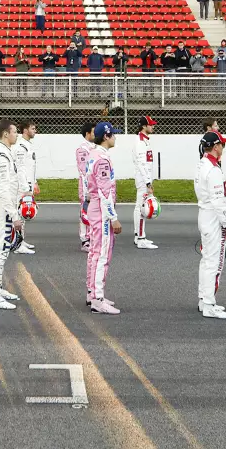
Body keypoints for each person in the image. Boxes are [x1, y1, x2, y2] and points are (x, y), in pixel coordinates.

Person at [195, 130, 226, 320]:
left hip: (205, 215)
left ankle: (204, 299)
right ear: (216, 146)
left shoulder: (202, 165)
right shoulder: (213, 169)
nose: (223, 148)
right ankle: (209, 304)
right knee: (214, 262)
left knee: (206, 261)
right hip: (213, 219)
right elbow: (219, 202)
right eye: (222, 144)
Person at [0, 119, 25, 311]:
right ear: (5, 134)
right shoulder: (1, 155)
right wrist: (14, 214)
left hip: (7, 207)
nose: (16, 134)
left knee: (3, 249)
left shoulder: (7, 152)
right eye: (14, 131)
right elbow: (2, 188)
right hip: (3, 208)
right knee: (0, 250)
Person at [86, 121, 123, 315]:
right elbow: (104, 191)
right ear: (106, 137)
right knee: (102, 254)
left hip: (95, 206)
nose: (115, 137)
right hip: (101, 209)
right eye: (113, 134)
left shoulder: (93, 154)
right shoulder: (102, 158)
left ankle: (92, 292)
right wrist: (113, 217)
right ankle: (97, 299)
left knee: (94, 252)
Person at [132, 114, 158, 250]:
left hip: (143, 178)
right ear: (144, 126)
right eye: (151, 124)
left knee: (139, 207)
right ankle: (141, 239)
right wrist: (148, 182)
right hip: (143, 179)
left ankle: (139, 236)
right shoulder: (140, 142)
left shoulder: (144, 140)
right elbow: (142, 164)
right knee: (142, 208)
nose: (153, 126)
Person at [13, 121, 38, 254]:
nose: (35, 131)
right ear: (25, 130)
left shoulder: (28, 145)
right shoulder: (21, 146)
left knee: (23, 215)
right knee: (20, 213)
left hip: (28, 184)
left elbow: (30, 167)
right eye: (32, 128)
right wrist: (26, 188)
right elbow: (21, 169)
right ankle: (17, 244)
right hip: (22, 186)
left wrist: (34, 182)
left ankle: (21, 240)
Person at [75, 122, 96, 250]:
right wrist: (88, 189)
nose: (96, 134)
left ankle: (92, 237)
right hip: (85, 185)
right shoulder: (82, 149)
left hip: (95, 185)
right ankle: (84, 240)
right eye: (94, 132)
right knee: (85, 210)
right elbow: (84, 171)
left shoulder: (95, 147)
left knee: (93, 211)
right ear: (88, 133)